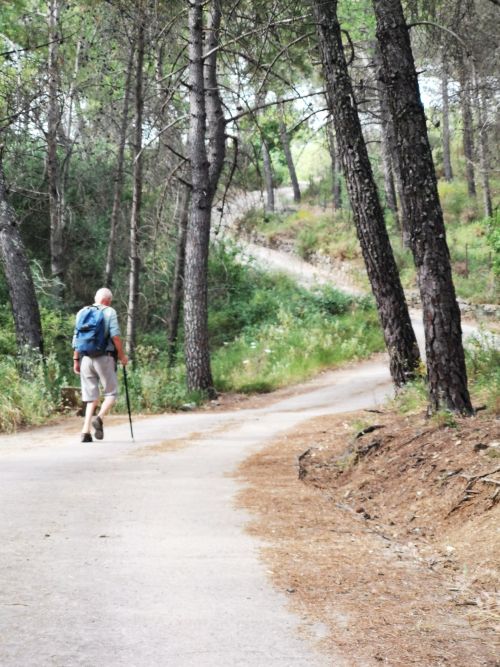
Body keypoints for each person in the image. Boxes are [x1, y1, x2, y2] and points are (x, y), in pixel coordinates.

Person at [72, 287, 128, 442]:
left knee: (91, 398)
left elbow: (76, 338)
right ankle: (99, 418)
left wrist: (76, 360)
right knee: (111, 393)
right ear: (108, 300)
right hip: (104, 358)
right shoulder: (110, 312)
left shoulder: (82, 312)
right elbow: (115, 337)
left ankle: (85, 432)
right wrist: (122, 356)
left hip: (85, 359)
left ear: (96, 298)